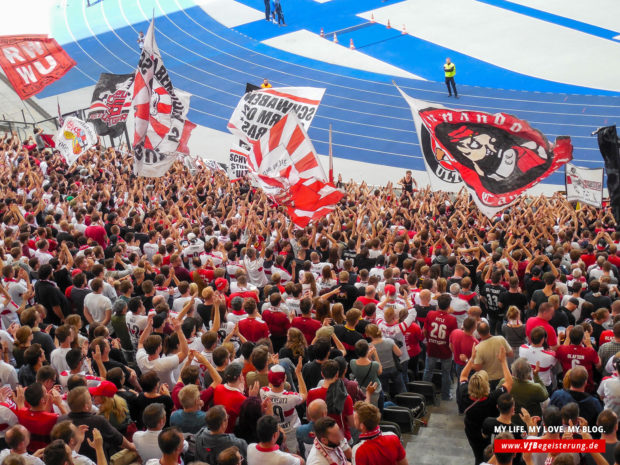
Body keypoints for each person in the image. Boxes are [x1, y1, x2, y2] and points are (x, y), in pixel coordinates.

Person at [423, 294, 458, 400]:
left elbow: (424, 331)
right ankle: (445, 395)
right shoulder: (452, 319)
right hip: (445, 350)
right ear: (449, 306)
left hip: (432, 347)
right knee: (446, 373)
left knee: (428, 371)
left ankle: (425, 394)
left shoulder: (430, 314)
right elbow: (453, 337)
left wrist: (429, 340)